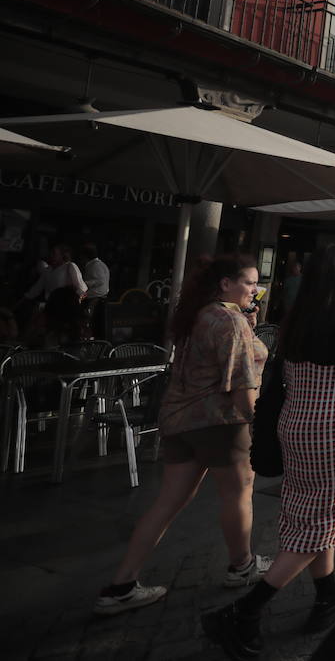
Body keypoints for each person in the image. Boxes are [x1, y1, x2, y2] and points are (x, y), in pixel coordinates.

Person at [202, 245, 335, 657]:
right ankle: (244, 613)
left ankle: (328, 592)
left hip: (295, 425)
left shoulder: (296, 318)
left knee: (311, 512)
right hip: (330, 431)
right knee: (322, 519)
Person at [95, 254, 270, 616]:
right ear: (226, 284)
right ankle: (242, 566)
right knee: (238, 494)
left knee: (167, 502)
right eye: (250, 282)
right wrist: (259, 422)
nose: (256, 289)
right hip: (219, 420)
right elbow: (241, 381)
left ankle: (122, 584)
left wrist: (249, 323)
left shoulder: (199, 314)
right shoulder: (228, 320)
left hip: (179, 419)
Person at [81, 243, 111, 333]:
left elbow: (100, 280)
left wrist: (84, 284)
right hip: (97, 296)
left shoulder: (95, 265)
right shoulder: (100, 264)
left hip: (94, 297)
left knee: (88, 319)